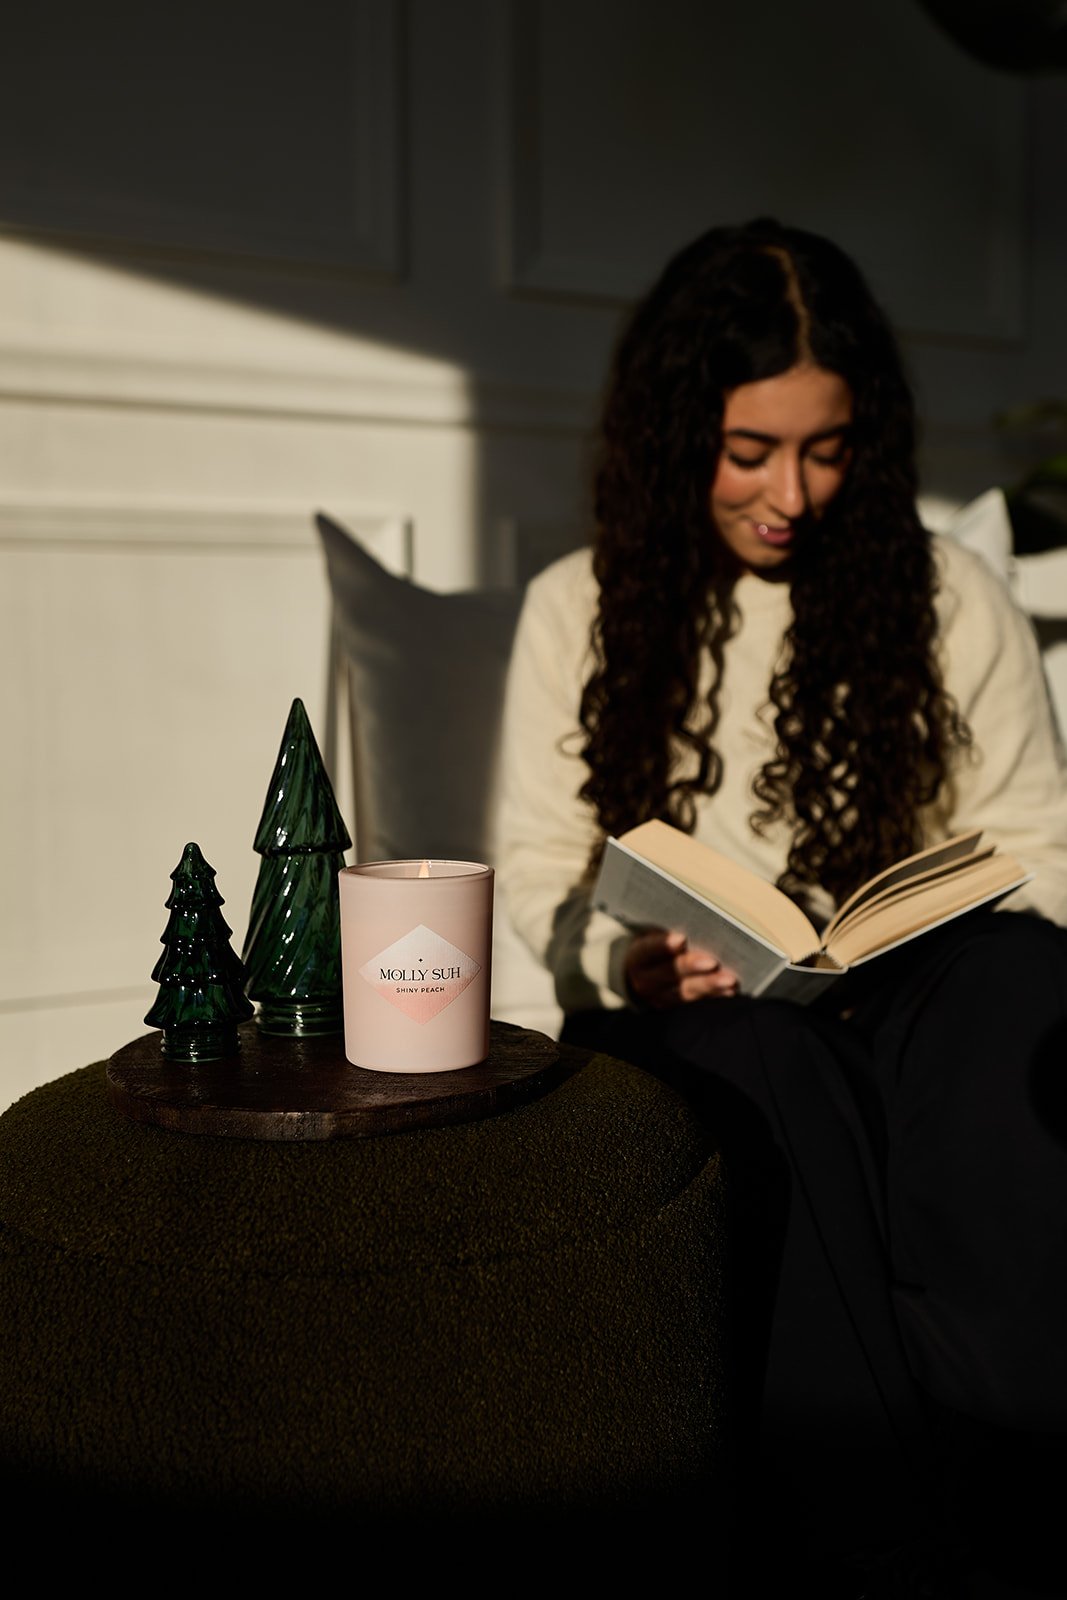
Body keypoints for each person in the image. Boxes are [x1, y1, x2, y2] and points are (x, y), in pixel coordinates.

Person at [498, 217, 1067, 1594]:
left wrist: (933, 920)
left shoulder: (949, 596)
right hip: (696, 1007)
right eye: (750, 452)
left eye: (828, 448)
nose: (792, 494)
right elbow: (531, 873)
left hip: (909, 981)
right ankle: (878, 1523)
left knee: (1026, 992)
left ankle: (1023, 1464)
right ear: (677, 433)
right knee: (767, 1054)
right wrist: (631, 961)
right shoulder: (579, 607)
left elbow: (1043, 848)